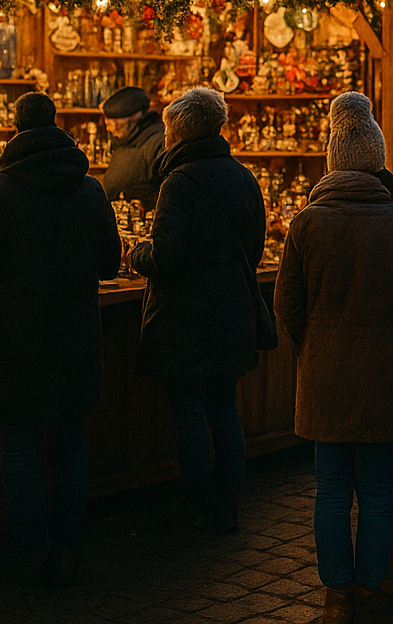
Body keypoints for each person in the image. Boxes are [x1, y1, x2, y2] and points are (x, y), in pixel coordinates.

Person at [274, 93, 393, 624]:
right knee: (376, 493)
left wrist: (314, 345)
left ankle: (337, 598)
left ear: (332, 159)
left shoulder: (307, 223)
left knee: (329, 492)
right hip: (387, 379)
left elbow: (287, 305)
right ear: (377, 158)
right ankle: (369, 593)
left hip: (325, 379)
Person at [0, 93, 121, 585]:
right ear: (58, 126)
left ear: (14, 130)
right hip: (76, 336)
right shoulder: (89, 190)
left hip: (18, 340)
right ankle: (68, 548)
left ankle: (30, 550)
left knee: (21, 445)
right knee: (70, 444)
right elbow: (109, 264)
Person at [129, 88, 266, 536]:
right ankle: (227, 506)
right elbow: (254, 248)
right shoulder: (243, 177)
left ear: (179, 131)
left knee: (188, 412)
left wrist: (136, 252)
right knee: (224, 410)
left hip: (185, 319)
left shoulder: (179, 183)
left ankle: (196, 504)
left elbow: (166, 255)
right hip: (232, 311)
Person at [100, 86, 164, 206]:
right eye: (108, 124)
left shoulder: (156, 141)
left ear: (136, 117)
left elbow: (167, 189)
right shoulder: (124, 139)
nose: (109, 129)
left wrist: (145, 202)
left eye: (116, 125)